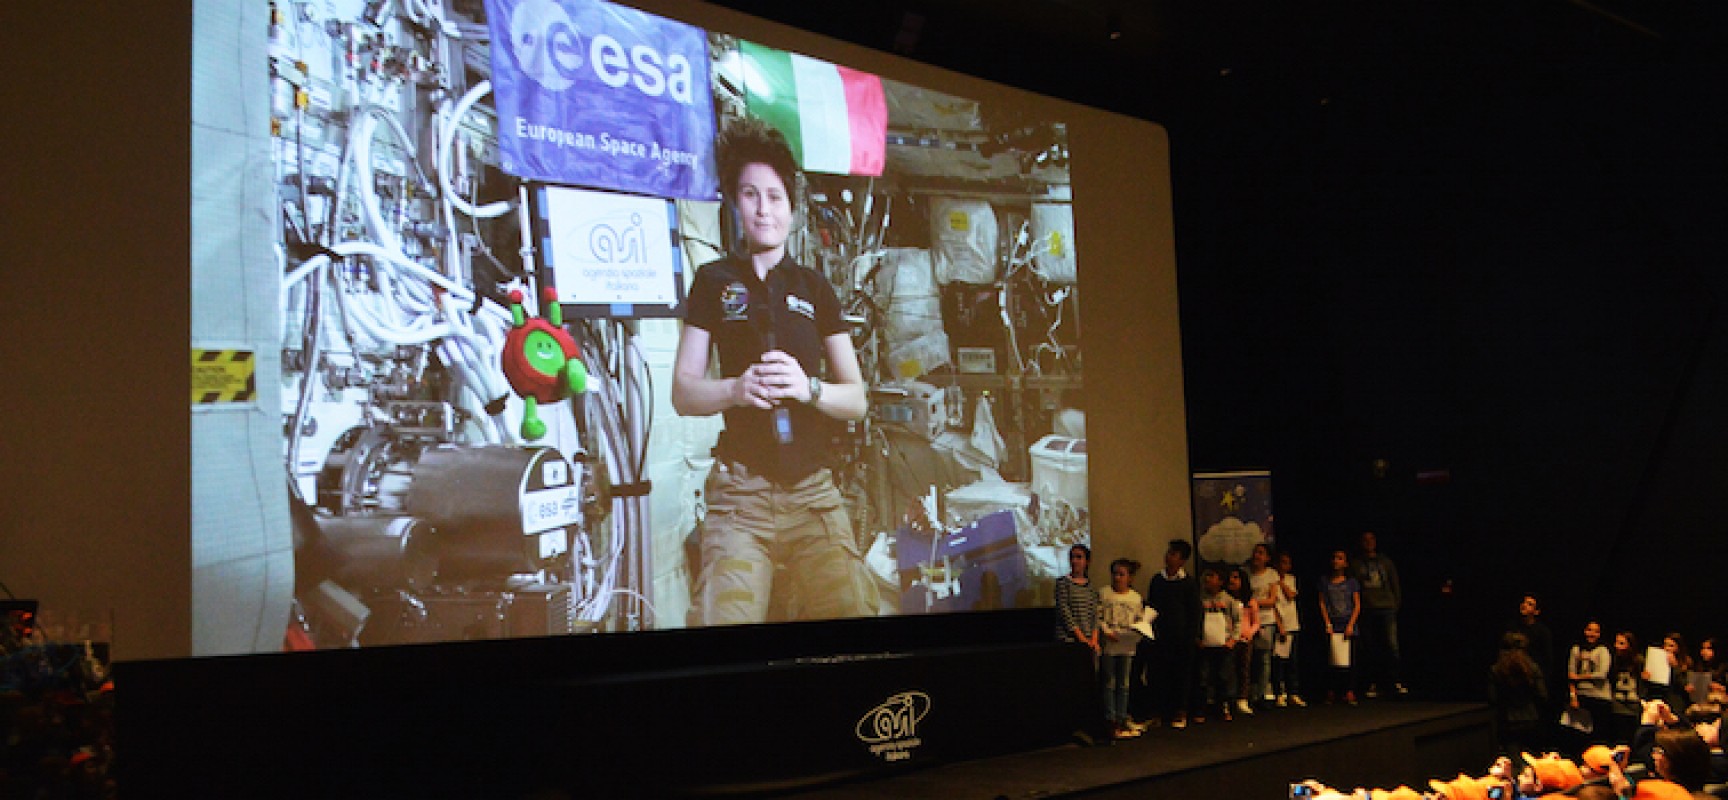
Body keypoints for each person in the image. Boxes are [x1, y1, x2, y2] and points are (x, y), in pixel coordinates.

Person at [674, 118, 875, 626]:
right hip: (741, 496)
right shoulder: (712, 281)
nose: (764, 209)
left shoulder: (814, 287)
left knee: (853, 614)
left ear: (792, 207)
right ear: (736, 204)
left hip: (813, 494)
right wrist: (737, 389)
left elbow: (856, 399)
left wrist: (808, 388)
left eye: (775, 196)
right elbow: (684, 393)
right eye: (750, 195)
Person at [1140, 539, 1200, 728]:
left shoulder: (1188, 583)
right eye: (1168, 552)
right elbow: (1152, 605)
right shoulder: (1158, 580)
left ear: (1182, 560)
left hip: (1182, 639)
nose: (1168, 556)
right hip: (1160, 637)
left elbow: (1194, 612)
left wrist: (1191, 636)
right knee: (1158, 675)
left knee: (1181, 675)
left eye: (1173, 554)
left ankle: (1180, 712)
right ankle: (1158, 712)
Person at [1350, 531, 1405, 697]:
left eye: (1371, 539)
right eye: (1365, 540)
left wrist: (1395, 604)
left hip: (1387, 607)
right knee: (1370, 648)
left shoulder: (1385, 562)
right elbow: (1354, 588)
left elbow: (1395, 584)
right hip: (1367, 610)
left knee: (1392, 646)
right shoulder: (1356, 564)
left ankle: (1394, 681)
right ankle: (1372, 683)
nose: (1369, 542)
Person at [1098, 558, 1146, 739]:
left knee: (1124, 683)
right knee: (1109, 682)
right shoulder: (1104, 593)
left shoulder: (1135, 597)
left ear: (1130, 578)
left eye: (1121, 574)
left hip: (1127, 645)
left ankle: (1122, 716)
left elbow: (1141, 620)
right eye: (1115, 574)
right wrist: (1106, 631)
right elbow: (1098, 615)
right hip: (1110, 643)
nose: (1117, 578)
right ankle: (1110, 719)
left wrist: (1137, 632)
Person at [1488, 631, 1547, 757]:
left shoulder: (1496, 670)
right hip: (1531, 717)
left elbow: (1493, 698)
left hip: (1507, 721)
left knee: (1514, 760)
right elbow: (1542, 695)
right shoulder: (1533, 668)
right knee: (1533, 760)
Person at [1196, 567, 1243, 722]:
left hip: (1224, 644)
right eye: (1206, 576)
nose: (1208, 579)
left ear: (1221, 581)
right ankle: (1203, 707)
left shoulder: (1228, 600)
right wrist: (1198, 638)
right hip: (1206, 644)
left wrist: (1233, 639)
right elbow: (1196, 621)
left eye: (1211, 575)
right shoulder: (1201, 599)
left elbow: (1237, 621)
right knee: (1204, 676)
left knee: (1224, 676)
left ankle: (1224, 706)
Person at [1319, 549, 1361, 705]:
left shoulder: (1351, 582)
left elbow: (1357, 605)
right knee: (1332, 660)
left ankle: (1349, 691)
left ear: (1345, 563)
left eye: (1340, 558)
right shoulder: (1325, 581)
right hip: (1333, 623)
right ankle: (1332, 691)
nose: (1336, 561)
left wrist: (1350, 624)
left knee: (1350, 660)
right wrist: (1327, 623)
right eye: (1334, 558)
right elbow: (1322, 603)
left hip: (1347, 623)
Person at [1245, 543, 1280, 708]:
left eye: (1261, 553)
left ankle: (1262, 693)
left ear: (1267, 558)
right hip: (1249, 620)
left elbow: (1272, 600)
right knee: (1249, 658)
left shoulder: (1272, 574)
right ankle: (1249, 693)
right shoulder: (1247, 574)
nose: (1257, 556)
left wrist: (1255, 602)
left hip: (1266, 619)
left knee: (1264, 658)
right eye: (1255, 552)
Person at [1270, 550, 1306, 707]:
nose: (1285, 565)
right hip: (1280, 625)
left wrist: (1281, 582)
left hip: (1293, 624)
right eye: (1282, 562)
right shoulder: (1271, 581)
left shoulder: (1291, 579)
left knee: (1293, 661)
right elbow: (1273, 606)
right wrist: (1280, 626)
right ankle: (1279, 693)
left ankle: (1294, 692)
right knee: (1279, 662)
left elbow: (1291, 595)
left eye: (1287, 563)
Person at [1568, 620, 1612, 745]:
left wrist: (1579, 677)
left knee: (1598, 736)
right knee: (1579, 735)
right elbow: (1571, 675)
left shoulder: (1603, 650)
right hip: (1581, 696)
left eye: (1596, 631)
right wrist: (1573, 696)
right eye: (1589, 630)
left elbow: (1601, 674)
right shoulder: (1576, 649)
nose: (1592, 634)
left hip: (1600, 697)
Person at [1226, 567, 1260, 716]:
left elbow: (1256, 622)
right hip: (1229, 639)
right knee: (1229, 670)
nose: (1232, 581)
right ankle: (1228, 700)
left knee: (1244, 669)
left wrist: (1250, 634)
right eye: (1230, 577)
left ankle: (1243, 699)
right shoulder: (1226, 600)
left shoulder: (1250, 601)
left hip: (1245, 640)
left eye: (1236, 577)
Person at [1608, 630, 1647, 746]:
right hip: (1618, 704)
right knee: (1618, 736)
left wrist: (1645, 678)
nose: (1617, 646)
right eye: (1616, 642)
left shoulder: (1639, 660)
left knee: (1631, 736)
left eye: (1621, 643)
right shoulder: (1613, 659)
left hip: (1633, 704)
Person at [1644, 633, 1694, 711]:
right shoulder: (1657, 660)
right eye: (1665, 645)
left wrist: (1675, 667)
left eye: (1671, 646)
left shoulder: (1685, 663)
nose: (1666, 648)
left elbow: (1685, 686)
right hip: (1658, 698)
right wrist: (1646, 677)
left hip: (1676, 702)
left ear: (1678, 648)